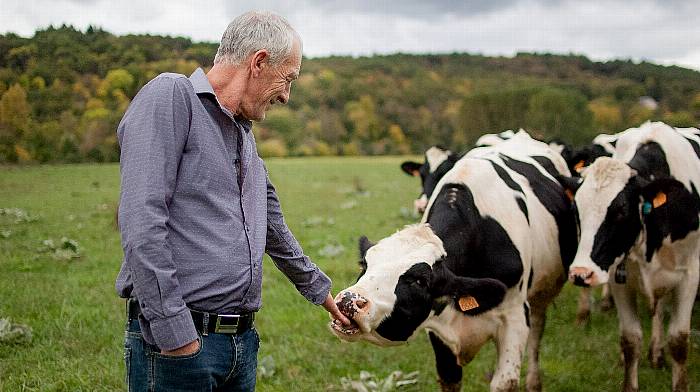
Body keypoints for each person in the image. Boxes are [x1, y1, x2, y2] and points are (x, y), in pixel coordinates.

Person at [115, 11, 351, 391]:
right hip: (181, 346)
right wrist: (178, 337)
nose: (287, 96)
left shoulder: (243, 132)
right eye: (287, 79)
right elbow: (141, 222)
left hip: (240, 346)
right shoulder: (172, 96)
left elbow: (271, 224)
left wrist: (321, 292)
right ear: (258, 62)